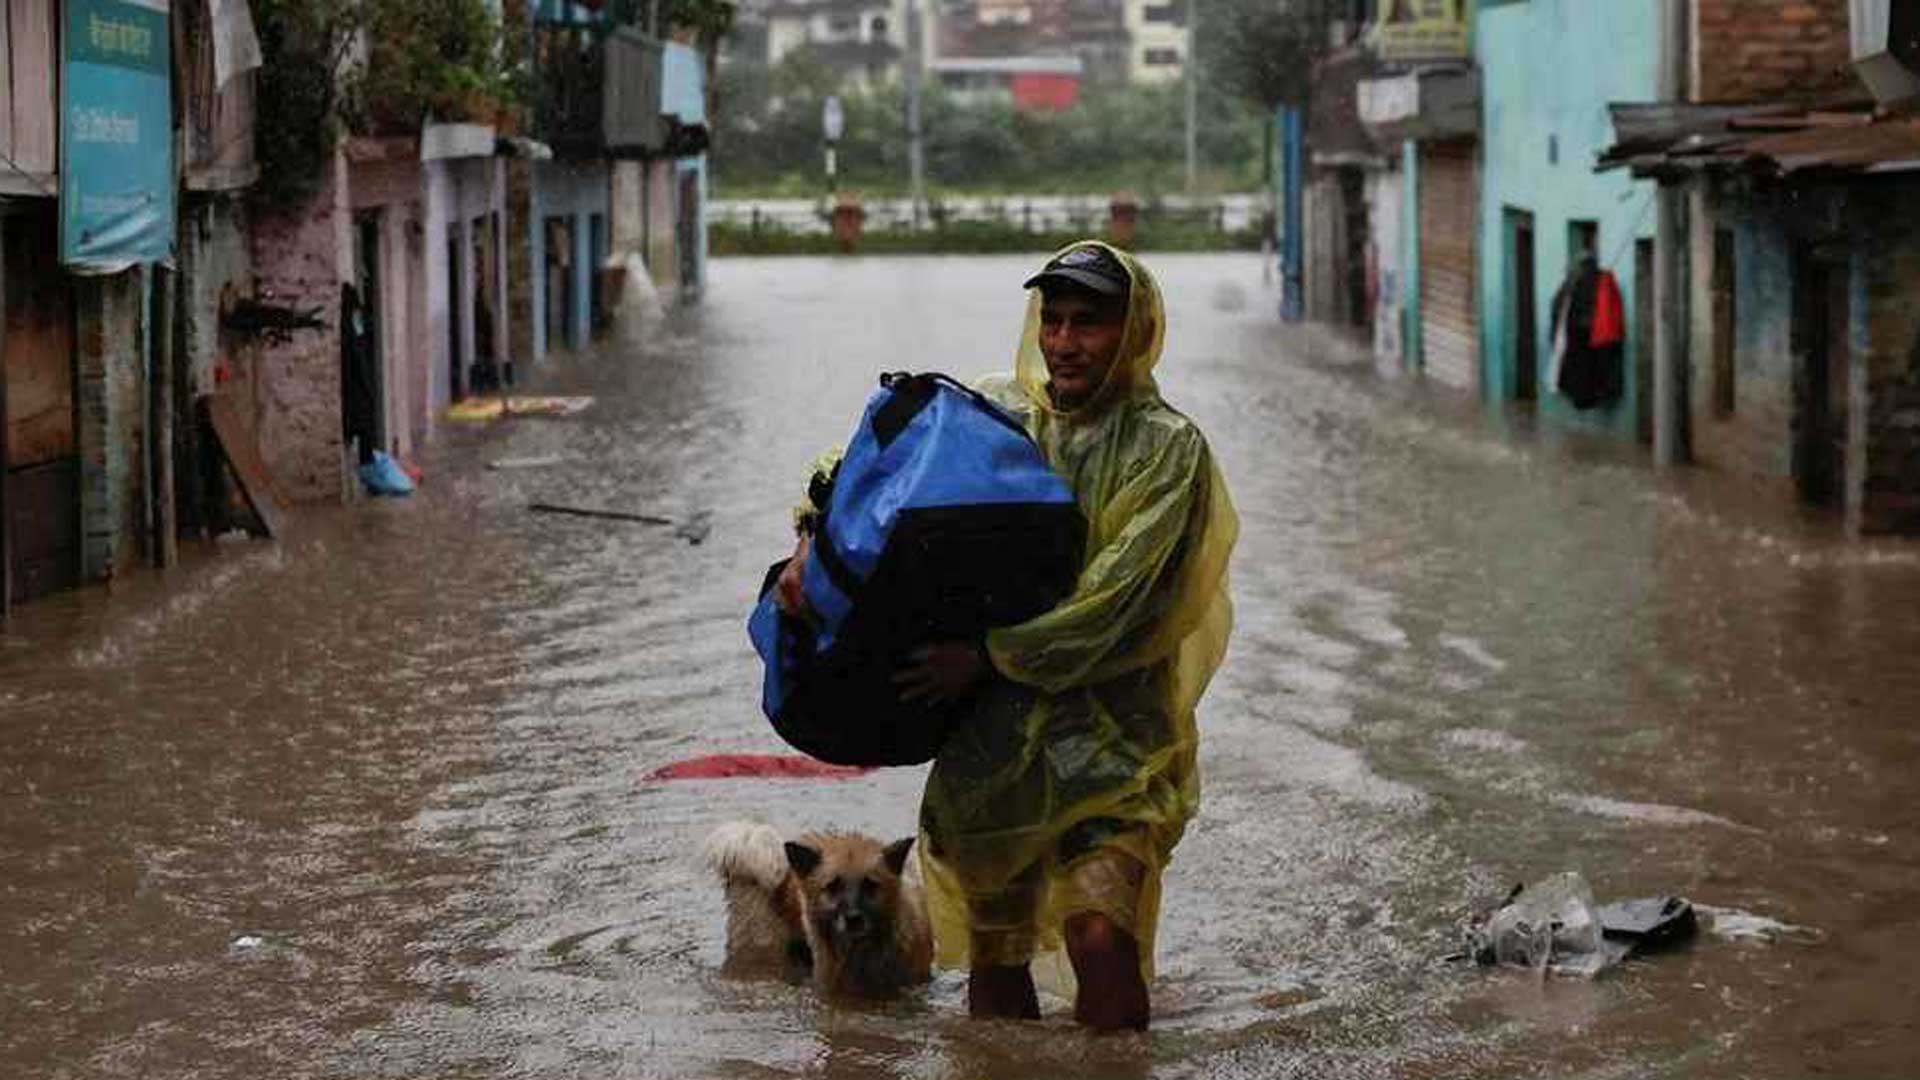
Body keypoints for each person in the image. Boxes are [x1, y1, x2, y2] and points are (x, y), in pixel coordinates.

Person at [777, 241, 1237, 1031]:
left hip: (1114, 747)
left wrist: (987, 655)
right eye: (1052, 320)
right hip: (990, 745)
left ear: (1135, 332)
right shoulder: (996, 412)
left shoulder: (1168, 449)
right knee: (995, 963)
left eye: (1088, 324)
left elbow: (1118, 605)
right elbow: (859, 463)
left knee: (1100, 936)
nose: (1064, 341)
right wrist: (811, 538)